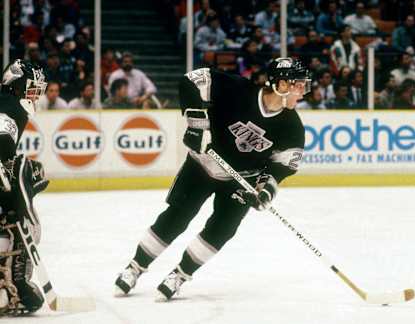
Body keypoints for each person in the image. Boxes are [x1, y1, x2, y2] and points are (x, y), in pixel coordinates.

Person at [114, 58, 310, 302]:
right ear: (280, 84)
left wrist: (265, 189)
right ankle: (135, 267)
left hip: (241, 181)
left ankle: (181, 274)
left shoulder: (293, 128)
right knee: (177, 216)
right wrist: (197, 126)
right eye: (298, 85)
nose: (303, 92)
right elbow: (191, 81)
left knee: (222, 230)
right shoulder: (236, 89)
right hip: (202, 165)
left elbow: (279, 168)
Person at [0, 59, 49, 315]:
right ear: (16, 85)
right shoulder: (10, 106)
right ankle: (18, 283)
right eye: (32, 88)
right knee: (29, 225)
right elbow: (2, 140)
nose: (35, 95)